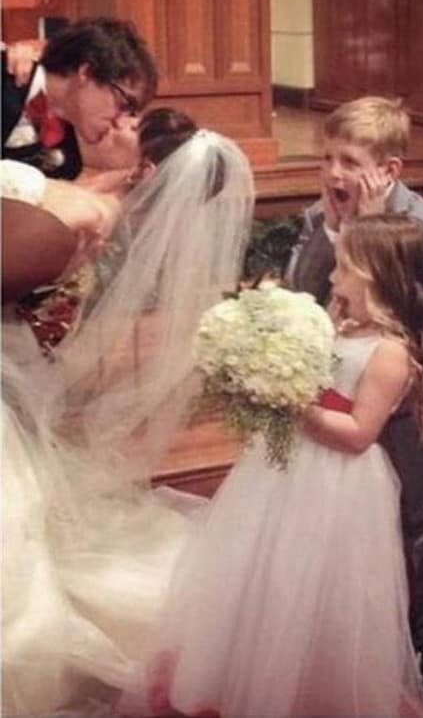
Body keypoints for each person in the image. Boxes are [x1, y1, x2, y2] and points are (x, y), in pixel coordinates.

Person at [121, 213, 423, 718]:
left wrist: (292, 403)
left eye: (343, 269)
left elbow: (359, 435)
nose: (333, 278)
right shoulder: (341, 324)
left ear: (377, 276)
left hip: (339, 481)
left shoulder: (390, 352)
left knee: (316, 578)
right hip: (286, 467)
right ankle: (247, 664)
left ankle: (307, 683)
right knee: (264, 563)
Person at [2, 129, 255, 717]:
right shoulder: (76, 192)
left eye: (128, 122)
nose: (113, 126)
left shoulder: (85, 216)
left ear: (144, 166)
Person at [285, 95, 423, 694]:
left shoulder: (421, 225)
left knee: (416, 512)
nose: (333, 174)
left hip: (397, 393)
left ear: (389, 170)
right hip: (343, 384)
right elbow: (304, 288)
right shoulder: (317, 215)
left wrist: (366, 232)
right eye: (326, 158)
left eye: (349, 160)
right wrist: (332, 230)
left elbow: (407, 318)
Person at [2, 17, 157, 179]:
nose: (119, 122)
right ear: (87, 73)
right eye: (123, 104)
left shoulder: (70, 162)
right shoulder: (7, 74)